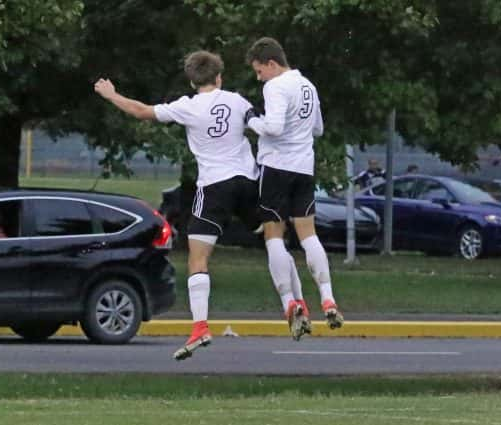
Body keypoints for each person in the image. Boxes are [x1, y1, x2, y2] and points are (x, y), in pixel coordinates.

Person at [94, 51, 260, 361]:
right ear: (219, 76)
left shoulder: (187, 106)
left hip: (214, 187)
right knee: (272, 231)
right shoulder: (237, 101)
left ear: (192, 80)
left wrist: (111, 94)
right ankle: (295, 301)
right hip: (248, 182)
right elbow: (262, 125)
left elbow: (141, 111)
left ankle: (200, 327)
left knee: (198, 261)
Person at [245, 37, 343, 341]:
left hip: (276, 167)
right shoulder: (308, 86)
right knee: (308, 234)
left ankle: (290, 302)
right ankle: (327, 297)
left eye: (259, 71)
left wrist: (252, 121)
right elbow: (318, 129)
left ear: (271, 64)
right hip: (304, 167)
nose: (259, 77)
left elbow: (272, 127)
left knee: (274, 236)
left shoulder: (275, 87)